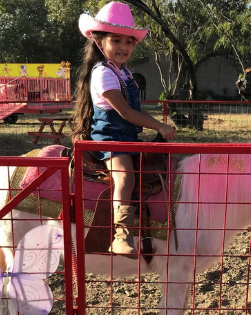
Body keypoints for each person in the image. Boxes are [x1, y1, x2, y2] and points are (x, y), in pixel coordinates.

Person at [72, 2, 176, 258]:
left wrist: (158, 127)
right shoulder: (103, 73)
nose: (124, 47)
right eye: (116, 40)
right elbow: (126, 113)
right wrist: (159, 125)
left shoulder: (124, 73)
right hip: (109, 139)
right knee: (125, 177)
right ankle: (120, 235)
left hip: (125, 137)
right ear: (99, 41)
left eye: (129, 42)